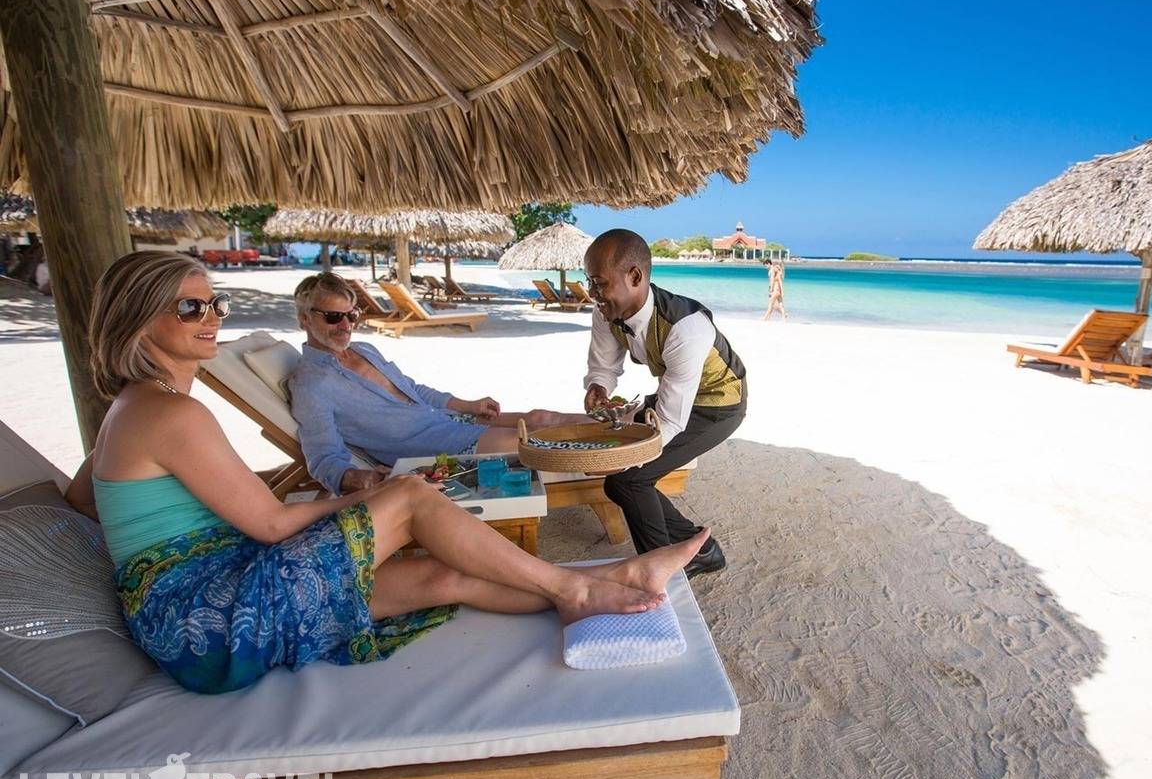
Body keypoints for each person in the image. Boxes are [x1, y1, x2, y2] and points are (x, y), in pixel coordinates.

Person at [63, 250, 707, 695]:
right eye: (189, 309)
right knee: (410, 498)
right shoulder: (173, 414)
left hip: (186, 623)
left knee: (444, 577)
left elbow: (81, 497)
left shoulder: (131, 409)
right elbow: (272, 523)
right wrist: (375, 495)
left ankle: (613, 577)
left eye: (215, 304)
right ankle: (579, 591)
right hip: (217, 621)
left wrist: (162, 540)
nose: (212, 320)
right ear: (136, 319)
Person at [287, 273, 588, 494]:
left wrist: (467, 405)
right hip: (434, 446)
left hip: (445, 419)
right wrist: (362, 479)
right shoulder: (310, 385)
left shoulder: (365, 350)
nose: (346, 326)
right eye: (333, 317)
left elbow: (413, 390)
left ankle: (615, 427)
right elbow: (323, 458)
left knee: (541, 418)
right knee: (533, 442)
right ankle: (607, 460)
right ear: (304, 319)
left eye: (351, 315)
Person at [582, 229, 747, 578]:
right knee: (621, 480)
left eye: (599, 283)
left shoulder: (686, 328)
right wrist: (598, 387)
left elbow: (670, 422)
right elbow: (604, 366)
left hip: (718, 404)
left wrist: (620, 457)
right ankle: (700, 549)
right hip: (677, 395)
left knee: (628, 480)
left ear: (635, 277)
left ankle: (659, 572)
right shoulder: (607, 310)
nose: (592, 294)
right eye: (589, 282)